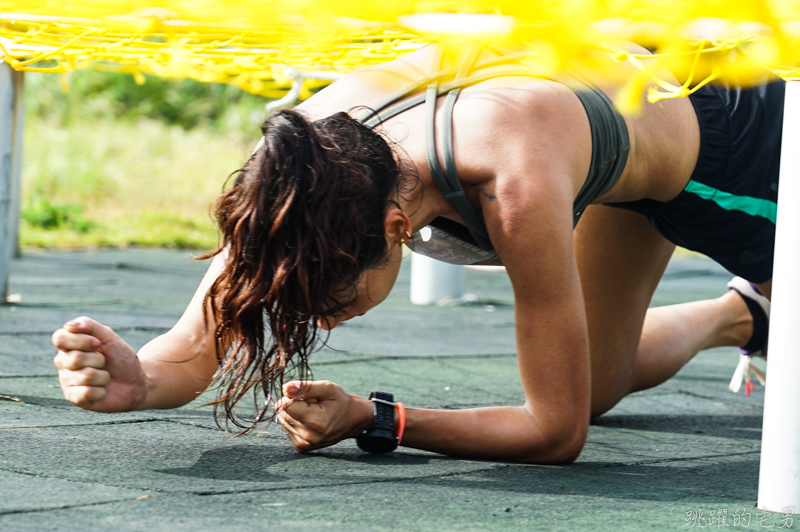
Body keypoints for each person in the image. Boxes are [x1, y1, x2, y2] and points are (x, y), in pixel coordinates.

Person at [51, 42, 781, 464]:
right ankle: (743, 317)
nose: (330, 326)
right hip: (608, 120)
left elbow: (557, 434)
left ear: (397, 226)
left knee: (577, 402)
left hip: (729, 152)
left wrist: (379, 418)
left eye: (337, 303)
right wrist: (139, 379)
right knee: (593, 383)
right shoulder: (300, 171)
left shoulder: (513, 180)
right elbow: (193, 343)